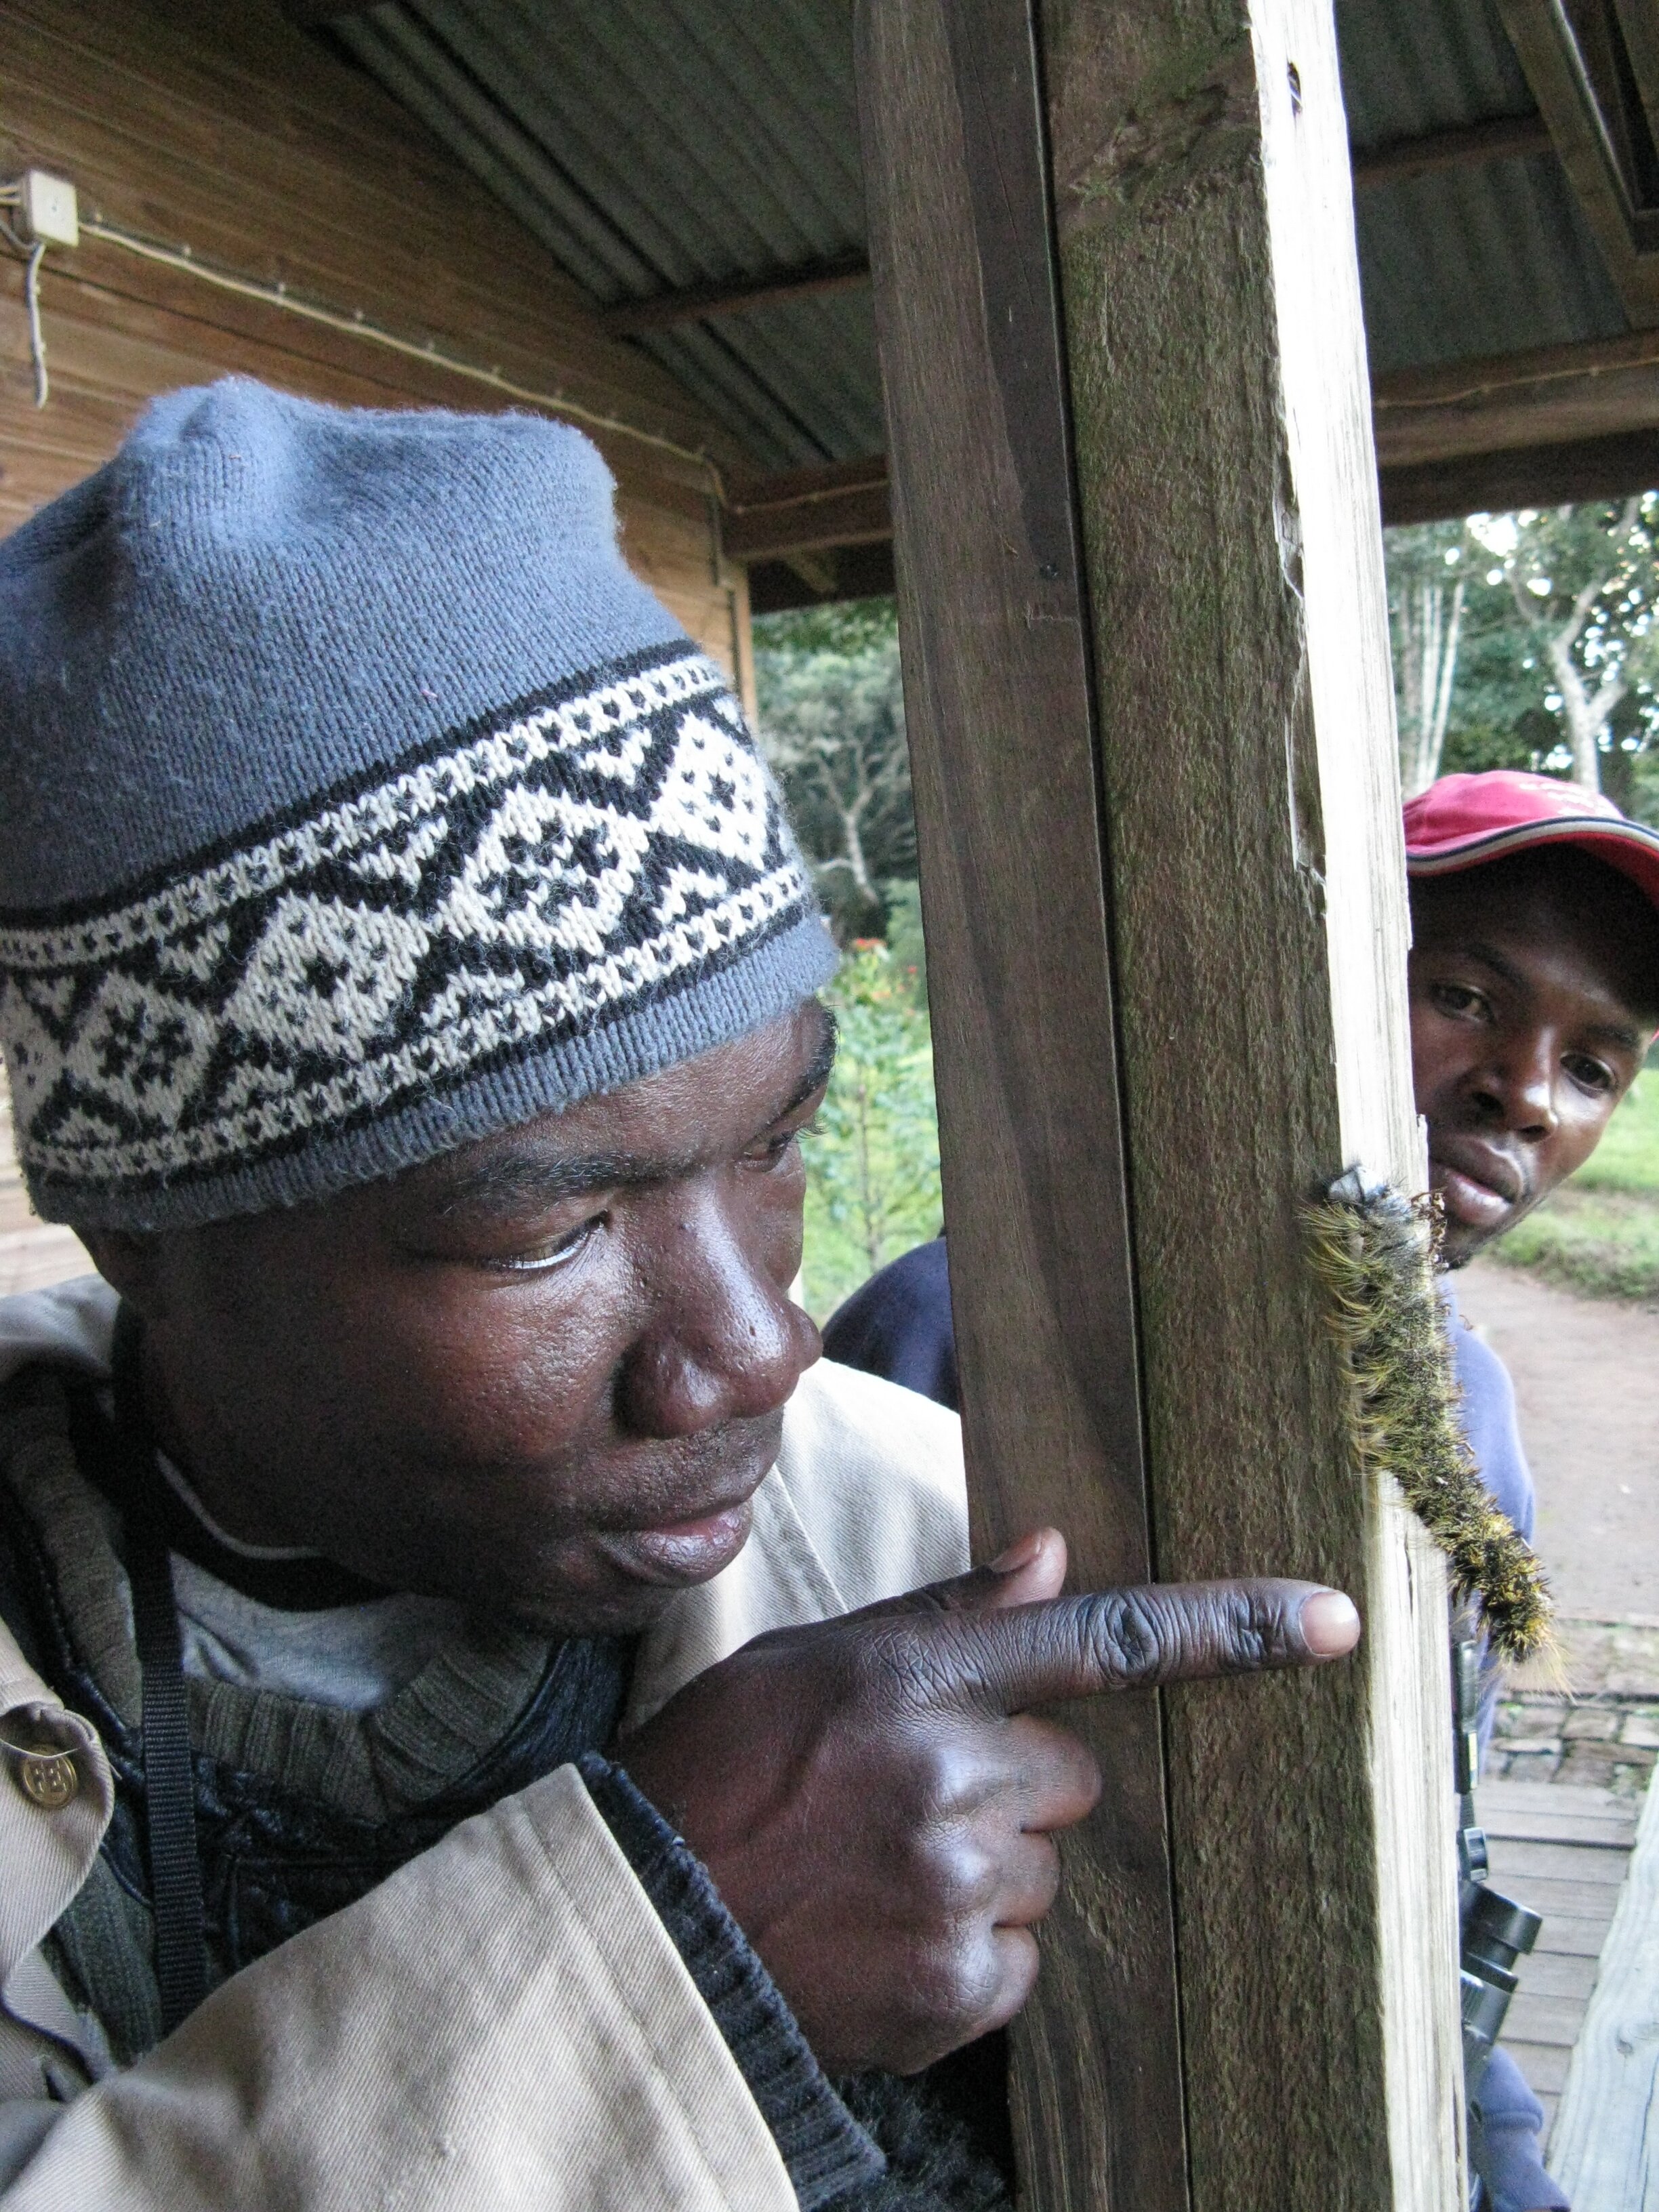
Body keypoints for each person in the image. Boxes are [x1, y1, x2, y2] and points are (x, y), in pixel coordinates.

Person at [0, 380, 1361, 2211]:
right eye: (545, 1235)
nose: (759, 1348)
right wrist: (660, 1967)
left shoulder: (943, 1533)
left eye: (779, 1142)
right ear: (142, 1238)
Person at [826, 767, 1659, 2212]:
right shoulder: (959, 1326)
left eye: (1593, 1068)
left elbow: (1438, 1850)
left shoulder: (1473, 1417)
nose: (1523, 1091)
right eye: (1462, 993)